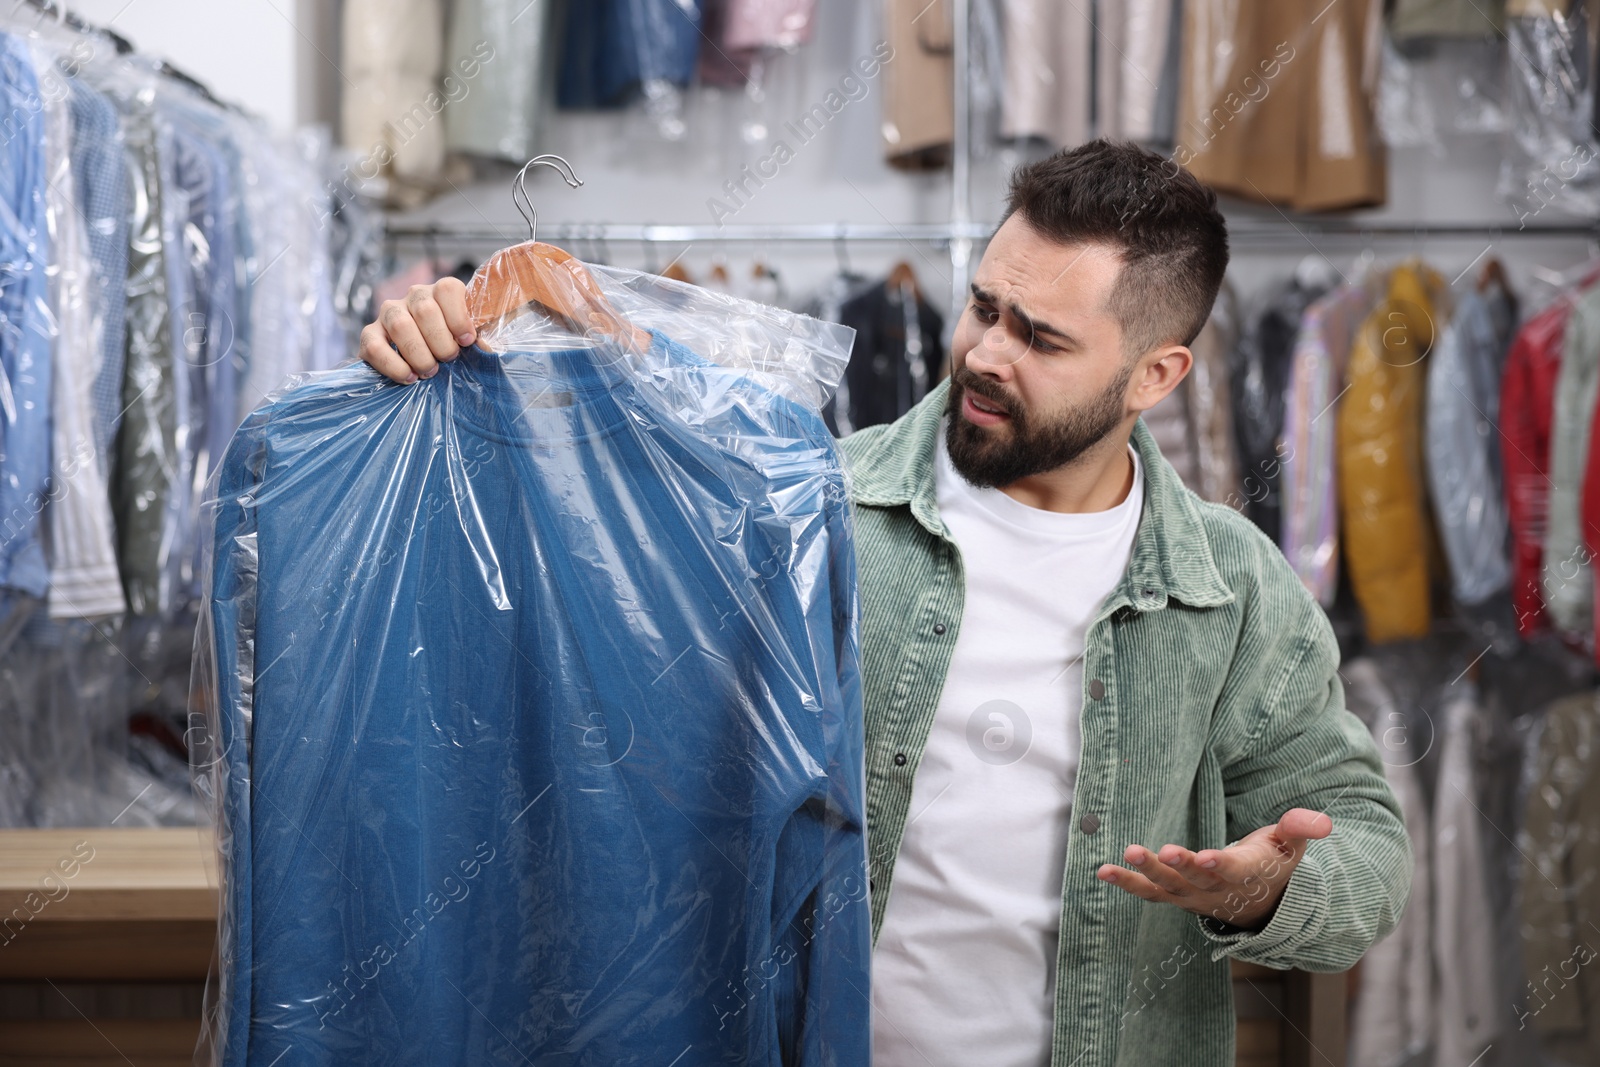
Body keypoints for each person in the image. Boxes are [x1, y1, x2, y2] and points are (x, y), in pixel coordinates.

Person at [355, 140, 1409, 1067]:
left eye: (1039, 339)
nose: (985, 354)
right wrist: (450, 352)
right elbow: (569, 637)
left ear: (1156, 374)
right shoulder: (797, 510)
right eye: (984, 307)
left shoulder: (1227, 588)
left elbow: (1365, 848)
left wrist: (1259, 889)